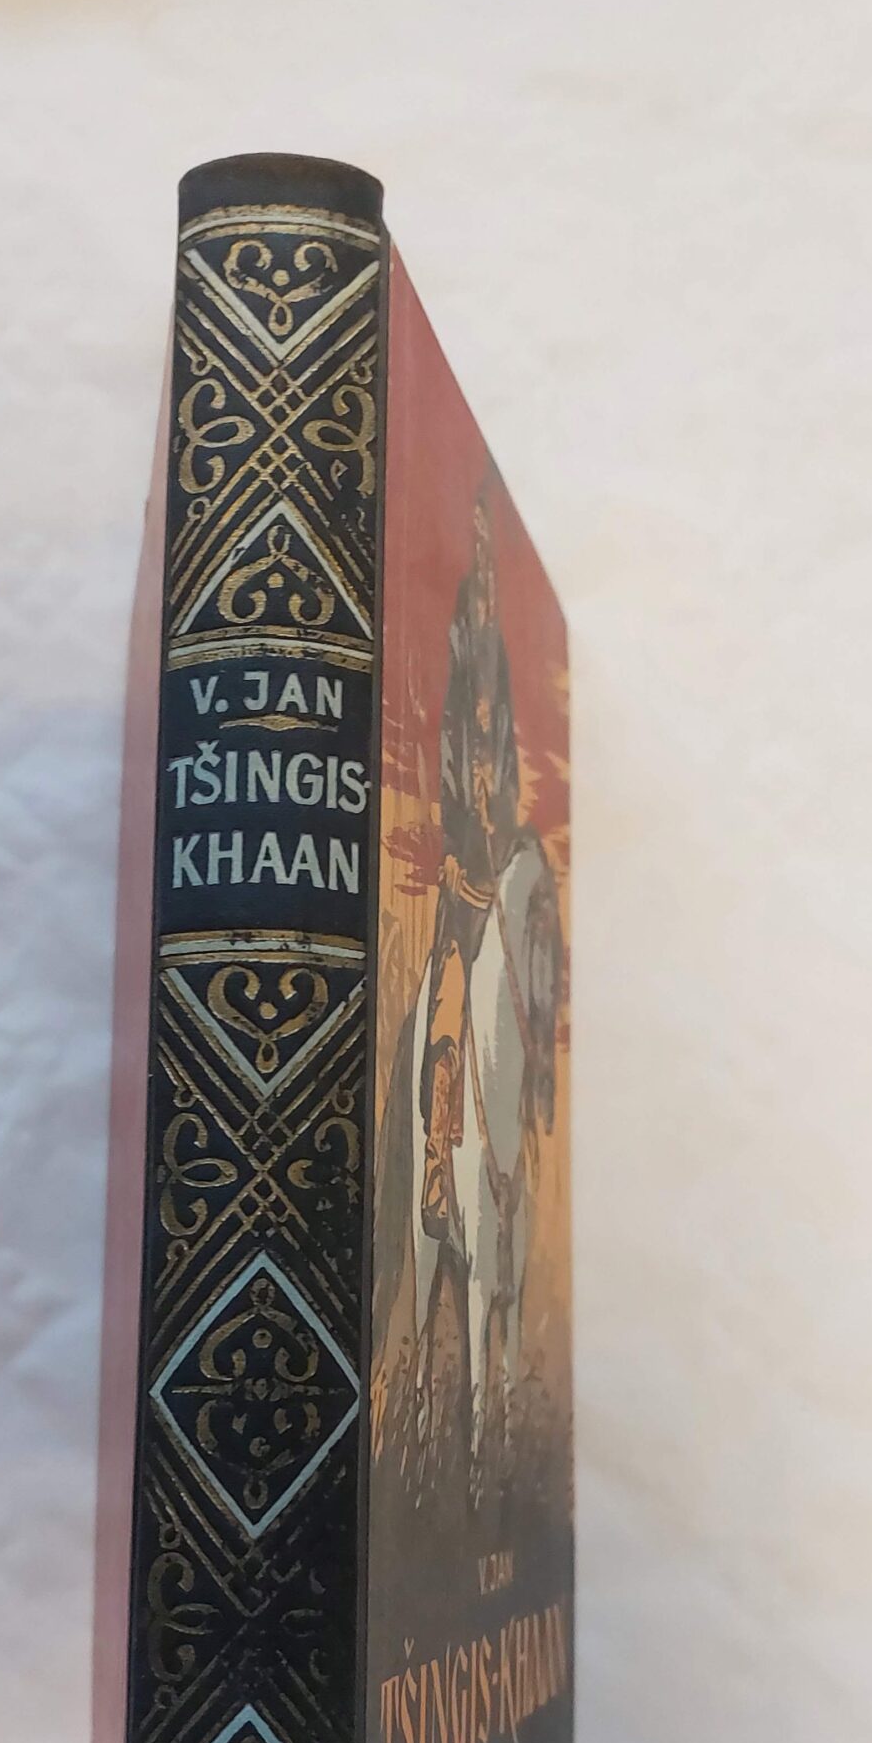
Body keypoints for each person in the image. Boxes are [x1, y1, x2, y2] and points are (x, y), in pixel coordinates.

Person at [419, 484, 521, 1239]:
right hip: (464, 861)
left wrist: (498, 834)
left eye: (490, 535)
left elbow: (500, 749)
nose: (482, 545)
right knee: (448, 1004)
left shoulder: (497, 644)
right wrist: (458, 845)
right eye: (476, 530)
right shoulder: (464, 621)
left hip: (495, 856)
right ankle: (435, 1165)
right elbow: (455, 735)